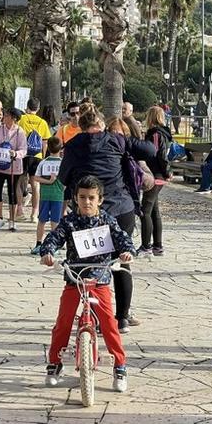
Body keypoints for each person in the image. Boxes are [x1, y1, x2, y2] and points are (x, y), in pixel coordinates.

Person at [58, 109, 155, 332]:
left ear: (81, 127)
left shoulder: (73, 145)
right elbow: (150, 150)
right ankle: (121, 318)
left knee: (90, 266)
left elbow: (63, 177)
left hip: (89, 213)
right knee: (122, 262)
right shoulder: (116, 140)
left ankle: (95, 316)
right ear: (101, 124)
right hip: (121, 208)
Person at [39, 175, 135, 392]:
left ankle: (120, 365)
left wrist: (127, 251)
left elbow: (122, 238)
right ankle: (55, 362)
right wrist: (47, 251)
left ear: (100, 199)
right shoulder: (70, 221)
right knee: (63, 321)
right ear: (75, 198)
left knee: (110, 323)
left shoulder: (107, 220)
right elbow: (55, 237)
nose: (87, 202)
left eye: (92, 198)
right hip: (75, 278)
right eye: (82, 197)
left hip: (100, 279)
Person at [0, 107, 27, 231]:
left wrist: (16, 153)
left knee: (12, 193)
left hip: (14, 167)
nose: (4, 117)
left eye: (7, 115)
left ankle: (12, 220)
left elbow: (24, 150)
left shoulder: (20, 132)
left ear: (13, 118)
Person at [140, 106, 172, 256]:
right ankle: (157, 245)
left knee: (145, 210)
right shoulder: (161, 133)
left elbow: (160, 154)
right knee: (154, 210)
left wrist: (166, 172)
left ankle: (146, 245)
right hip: (158, 173)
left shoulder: (156, 134)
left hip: (155, 174)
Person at [17, 98, 52, 223]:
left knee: (20, 182)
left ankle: (19, 211)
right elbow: (45, 141)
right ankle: (34, 213)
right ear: (38, 108)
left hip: (22, 154)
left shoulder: (21, 119)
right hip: (36, 156)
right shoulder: (42, 122)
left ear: (27, 106)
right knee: (35, 184)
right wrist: (42, 156)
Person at [31, 137, 64, 254]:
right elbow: (65, 180)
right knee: (55, 221)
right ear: (61, 148)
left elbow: (35, 178)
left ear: (48, 148)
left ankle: (38, 244)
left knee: (42, 220)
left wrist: (48, 181)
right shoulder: (62, 163)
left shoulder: (43, 162)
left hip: (45, 195)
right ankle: (54, 245)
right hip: (58, 196)